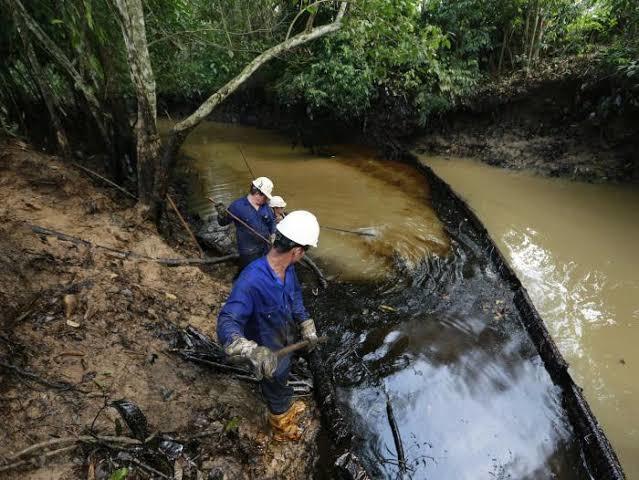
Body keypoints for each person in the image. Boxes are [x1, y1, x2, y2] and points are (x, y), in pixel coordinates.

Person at [216, 211, 321, 441]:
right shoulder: (251, 280)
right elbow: (227, 321)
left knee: (282, 379)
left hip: (284, 342)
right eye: (303, 253)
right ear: (297, 251)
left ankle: (285, 404)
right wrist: (250, 350)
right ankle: (281, 426)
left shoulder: (289, 269)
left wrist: (305, 322)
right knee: (274, 387)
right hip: (267, 353)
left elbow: (294, 298)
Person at [216, 177, 276, 271]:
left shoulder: (266, 207)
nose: (267, 199)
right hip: (248, 252)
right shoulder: (237, 206)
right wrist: (221, 214)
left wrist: (273, 235)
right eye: (265, 196)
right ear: (257, 193)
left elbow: (272, 223)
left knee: (265, 271)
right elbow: (223, 222)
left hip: (265, 248)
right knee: (251, 273)